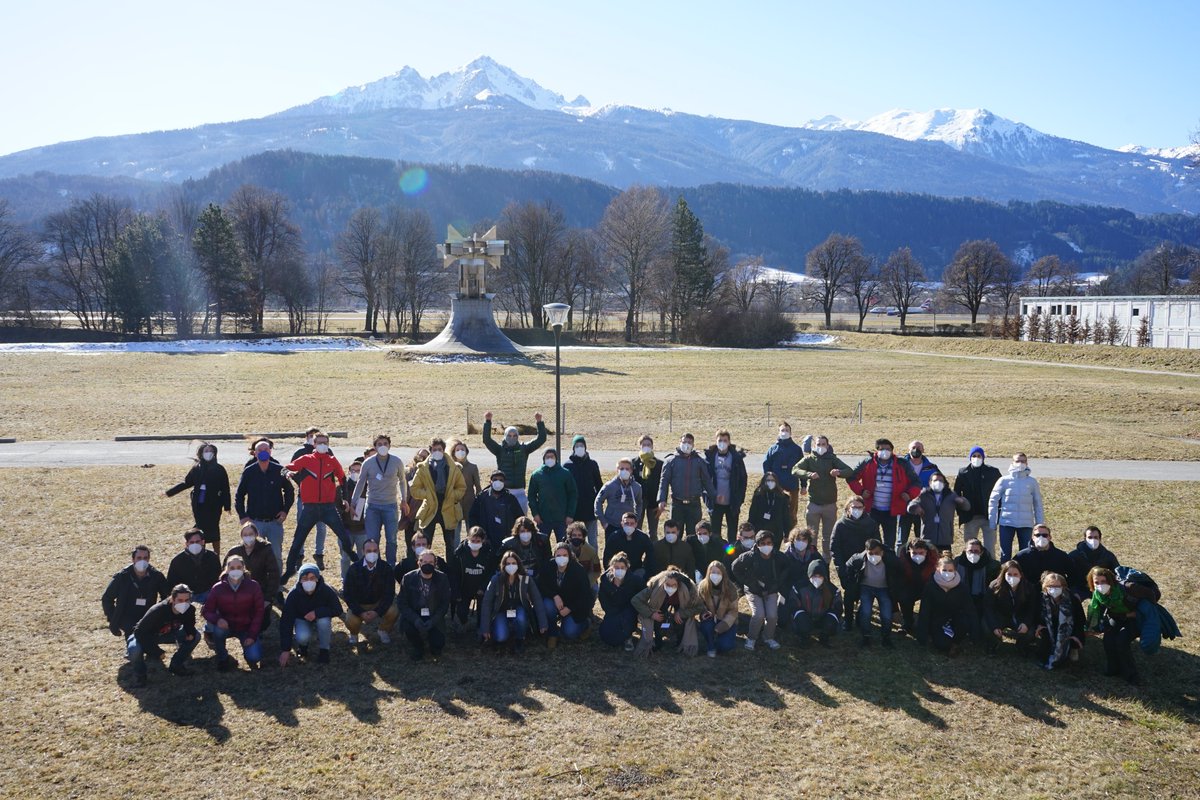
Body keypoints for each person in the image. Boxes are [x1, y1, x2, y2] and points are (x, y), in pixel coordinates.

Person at [282, 432, 355, 583]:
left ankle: (354, 558)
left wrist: (345, 499)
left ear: (328, 444)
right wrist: (289, 473)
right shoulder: (306, 459)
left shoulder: (332, 461)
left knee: (343, 536)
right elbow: (285, 468)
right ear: (314, 444)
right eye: (319, 442)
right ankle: (289, 569)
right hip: (309, 508)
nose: (323, 445)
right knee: (298, 540)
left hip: (328, 507)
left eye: (325, 443)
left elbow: (342, 479)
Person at [846, 439, 919, 553]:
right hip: (872, 510)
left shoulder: (902, 464)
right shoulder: (867, 462)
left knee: (889, 544)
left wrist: (909, 494)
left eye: (888, 449)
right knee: (870, 542)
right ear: (877, 451)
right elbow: (851, 478)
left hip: (891, 511)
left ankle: (888, 567)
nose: (885, 451)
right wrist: (861, 491)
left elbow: (916, 482)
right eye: (882, 449)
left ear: (892, 451)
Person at [235, 437, 295, 569]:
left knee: (276, 555)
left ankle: (277, 585)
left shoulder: (279, 470)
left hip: (275, 522)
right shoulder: (249, 471)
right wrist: (243, 516)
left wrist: (285, 511)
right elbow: (239, 495)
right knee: (253, 554)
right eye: (260, 450)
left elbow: (290, 491)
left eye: (266, 449)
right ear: (254, 453)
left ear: (270, 452)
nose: (263, 452)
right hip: (255, 522)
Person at [162, 442, 231, 551]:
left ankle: (216, 554)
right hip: (199, 504)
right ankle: (200, 550)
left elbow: (225, 488)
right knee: (200, 527)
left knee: (214, 528)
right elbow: (186, 483)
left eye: (211, 451)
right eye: (206, 451)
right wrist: (170, 492)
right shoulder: (196, 469)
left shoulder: (220, 469)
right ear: (201, 454)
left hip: (214, 505)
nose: (209, 453)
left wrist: (227, 506)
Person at [351, 434, 408, 567]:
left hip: (391, 506)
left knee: (392, 540)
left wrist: (404, 500)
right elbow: (360, 483)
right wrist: (353, 503)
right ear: (375, 447)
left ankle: (390, 566)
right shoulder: (368, 463)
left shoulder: (396, 461)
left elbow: (402, 481)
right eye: (379, 444)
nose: (383, 446)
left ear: (389, 445)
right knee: (372, 540)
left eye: (385, 444)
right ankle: (373, 565)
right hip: (372, 507)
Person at [792, 435, 852, 559]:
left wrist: (838, 472)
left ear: (828, 446)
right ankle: (811, 559)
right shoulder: (809, 459)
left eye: (823, 444)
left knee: (828, 537)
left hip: (830, 505)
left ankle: (826, 562)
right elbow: (795, 470)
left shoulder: (832, 459)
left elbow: (849, 470)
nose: (821, 447)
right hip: (813, 504)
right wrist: (808, 474)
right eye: (818, 444)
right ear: (814, 446)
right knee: (811, 537)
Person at [202, 554, 265, 672]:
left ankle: (248, 648)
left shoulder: (253, 586)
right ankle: (223, 658)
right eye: (232, 568)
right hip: (226, 625)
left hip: (246, 627)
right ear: (227, 569)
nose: (235, 570)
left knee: (254, 657)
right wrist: (218, 619)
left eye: (239, 567)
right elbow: (207, 611)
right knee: (218, 631)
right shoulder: (217, 588)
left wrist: (252, 635)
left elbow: (259, 612)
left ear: (244, 569)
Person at [127, 584, 199, 687]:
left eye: (187, 600)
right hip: (146, 635)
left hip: (169, 634)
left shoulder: (190, 609)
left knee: (196, 636)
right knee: (134, 649)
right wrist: (156, 652)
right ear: (173, 599)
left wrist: (190, 633)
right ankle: (140, 675)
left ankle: (176, 665)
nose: (184, 603)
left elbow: (189, 623)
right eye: (180, 600)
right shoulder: (157, 610)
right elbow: (139, 632)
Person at [479, 550, 548, 653]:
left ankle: (519, 639)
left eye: (513, 563)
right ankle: (499, 633)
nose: (511, 566)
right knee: (501, 637)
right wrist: (485, 628)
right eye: (508, 563)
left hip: (519, 610)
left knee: (521, 618)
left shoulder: (526, 579)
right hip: (501, 611)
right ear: (503, 565)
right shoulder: (496, 580)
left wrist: (543, 624)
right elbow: (487, 603)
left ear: (518, 564)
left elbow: (537, 600)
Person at [410, 437, 467, 556]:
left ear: (444, 450)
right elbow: (414, 489)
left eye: (440, 449)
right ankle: (424, 565)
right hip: (430, 507)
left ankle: (451, 570)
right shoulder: (422, 468)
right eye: (434, 449)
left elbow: (461, 488)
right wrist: (427, 494)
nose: (437, 452)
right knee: (425, 541)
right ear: (430, 451)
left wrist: (452, 496)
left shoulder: (453, 467)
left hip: (448, 507)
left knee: (450, 544)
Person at [481, 411, 547, 513]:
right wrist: (488, 421)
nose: (512, 438)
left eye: (514, 435)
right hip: (504, 491)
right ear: (505, 436)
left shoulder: (524, 449)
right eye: (509, 435)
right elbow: (487, 440)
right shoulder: (499, 450)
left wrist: (539, 422)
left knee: (521, 520)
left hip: (520, 491)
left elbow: (541, 439)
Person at [278, 563, 343, 666]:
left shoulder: (326, 590)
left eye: (312, 578)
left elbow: (338, 609)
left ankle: (324, 650)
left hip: (320, 617)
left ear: (317, 579)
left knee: (324, 622)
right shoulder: (293, 594)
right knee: (303, 636)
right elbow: (286, 621)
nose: (308, 581)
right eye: (304, 578)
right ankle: (303, 647)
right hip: (301, 619)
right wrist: (286, 649)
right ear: (299, 580)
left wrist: (317, 613)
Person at [731, 531, 787, 650]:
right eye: (762, 543)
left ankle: (768, 637)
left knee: (772, 615)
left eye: (769, 543)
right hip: (753, 590)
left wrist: (777, 584)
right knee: (759, 615)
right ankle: (751, 638)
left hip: (771, 589)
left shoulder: (778, 556)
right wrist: (749, 582)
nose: (766, 546)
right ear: (757, 545)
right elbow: (735, 567)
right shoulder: (749, 556)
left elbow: (787, 568)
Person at [829, 496, 877, 629]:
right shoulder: (840, 525)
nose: (857, 510)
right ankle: (848, 620)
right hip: (847, 566)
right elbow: (835, 548)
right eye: (853, 507)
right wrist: (841, 569)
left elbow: (876, 544)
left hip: (865, 565)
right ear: (847, 508)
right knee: (849, 594)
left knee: (866, 592)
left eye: (859, 507)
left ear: (864, 508)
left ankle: (861, 615)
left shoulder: (871, 523)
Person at [988, 453, 1045, 561]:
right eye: (1017, 461)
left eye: (1023, 461)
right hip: (1006, 523)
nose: (1020, 464)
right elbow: (993, 501)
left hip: (1026, 524)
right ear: (1012, 463)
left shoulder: (1032, 482)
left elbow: (1038, 504)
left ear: (1027, 463)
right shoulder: (1003, 481)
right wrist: (992, 521)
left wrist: (1039, 523)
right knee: (1005, 555)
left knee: (1026, 554)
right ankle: (1004, 576)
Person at [844, 539, 902, 647]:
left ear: (882, 552)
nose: (873, 556)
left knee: (886, 615)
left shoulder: (891, 560)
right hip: (866, 587)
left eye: (876, 553)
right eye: (870, 553)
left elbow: (900, 572)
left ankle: (886, 637)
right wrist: (851, 582)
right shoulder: (859, 559)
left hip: (884, 589)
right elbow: (848, 565)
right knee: (865, 612)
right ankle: (866, 636)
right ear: (866, 551)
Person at [102, 545, 168, 639]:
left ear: (149, 559)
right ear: (133, 559)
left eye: (145, 558)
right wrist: (114, 619)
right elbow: (107, 598)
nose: (142, 561)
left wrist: (158, 613)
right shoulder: (122, 577)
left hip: (148, 615)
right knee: (135, 644)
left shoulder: (156, 576)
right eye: (139, 558)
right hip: (127, 617)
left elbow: (166, 597)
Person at [631, 568, 701, 656]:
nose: (670, 588)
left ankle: (681, 641)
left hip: (680, 608)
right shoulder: (656, 586)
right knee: (659, 617)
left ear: (678, 585)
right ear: (663, 583)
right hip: (661, 608)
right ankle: (657, 641)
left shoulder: (688, 589)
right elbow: (636, 600)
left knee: (682, 619)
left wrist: (682, 613)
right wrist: (651, 614)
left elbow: (700, 606)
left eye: (674, 585)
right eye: (667, 584)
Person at [343, 538, 398, 648]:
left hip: (378, 603)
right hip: (360, 604)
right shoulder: (353, 569)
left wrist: (377, 611)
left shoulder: (386, 568)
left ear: (378, 551)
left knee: (394, 611)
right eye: (369, 551)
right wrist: (360, 612)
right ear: (363, 551)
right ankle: (354, 634)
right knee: (350, 620)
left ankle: (383, 630)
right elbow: (348, 595)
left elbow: (389, 594)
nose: (372, 553)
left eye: (375, 550)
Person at [396, 550, 451, 661]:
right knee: (409, 629)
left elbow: (444, 604)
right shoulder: (408, 578)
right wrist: (415, 619)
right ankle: (417, 646)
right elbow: (402, 602)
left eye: (431, 562)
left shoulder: (442, 578)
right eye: (424, 561)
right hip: (414, 615)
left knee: (437, 647)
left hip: (433, 615)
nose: (427, 564)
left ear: (435, 564)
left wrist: (433, 621)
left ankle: (431, 639)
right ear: (419, 563)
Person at [656, 433, 714, 538]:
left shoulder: (699, 461)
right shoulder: (670, 461)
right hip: (677, 504)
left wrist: (714, 497)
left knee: (693, 536)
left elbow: (707, 481)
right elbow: (664, 482)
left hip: (694, 504)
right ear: (680, 443)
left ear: (693, 444)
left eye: (689, 442)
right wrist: (662, 499)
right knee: (675, 535)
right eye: (684, 442)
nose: (686, 444)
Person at [537, 542, 595, 646]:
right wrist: (554, 596)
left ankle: (586, 624)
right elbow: (541, 585)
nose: (561, 558)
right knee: (547, 605)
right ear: (554, 556)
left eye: (565, 555)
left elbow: (585, 595)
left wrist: (570, 608)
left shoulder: (578, 570)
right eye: (558, 555)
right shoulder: (548, 566)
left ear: (570, 556)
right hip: (555, 601)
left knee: (569, 633)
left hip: (573, 607)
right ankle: (552, 633)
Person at [916, 556, 974, 656]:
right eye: (944, 570)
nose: (947, 573)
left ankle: (955, 643)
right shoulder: (930, 586)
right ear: (938, 570)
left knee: (964, 623)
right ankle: (947, 643)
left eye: (950, 570)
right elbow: (924, 611)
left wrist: (975, 634)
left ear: (955, 570)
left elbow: (970, 608)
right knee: (942, 645)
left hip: (955, 618)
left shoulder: (962, 587)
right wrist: (922, 636)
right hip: (937, 621)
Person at [291, 428, 330, 569]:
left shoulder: (328, 452)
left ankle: (319, 554)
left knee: (321, 527)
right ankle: (299, 555)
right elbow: (292, 471)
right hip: (305, 498)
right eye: (311, 436)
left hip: (323, 500)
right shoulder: (300, 453)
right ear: (307, 437)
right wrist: (303, 484)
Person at [984, 560, 1039, 655]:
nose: (1012, 577)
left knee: (1030, 632)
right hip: (1001, 615)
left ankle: (1021, 646)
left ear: (1020, 575)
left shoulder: (1029, 587)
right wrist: (994, 626)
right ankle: (994, 644)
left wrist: (1026, 623)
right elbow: (989, 608)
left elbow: (1032, 608)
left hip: (1019, 616)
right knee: (987, 627)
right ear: (1003, 574)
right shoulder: (994, 586)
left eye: (1015, 574)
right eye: (1009, 574)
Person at [953, 446, 1002, 555]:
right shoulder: (963, 473)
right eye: (974, 456)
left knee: (990, 548)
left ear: (983, 457)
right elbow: (956, 494)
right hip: (970, 517)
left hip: (988, 516)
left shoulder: (993, 472)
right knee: (970, 547)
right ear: (970, 458)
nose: (976, 458)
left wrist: (997, 511)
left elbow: (1001, 492)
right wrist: (961, 512)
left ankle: (991, 569)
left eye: (979, 456)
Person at [906, 471, 970, 553]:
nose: (938, 483)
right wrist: (915, 507)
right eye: (935, 480)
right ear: (930, 482)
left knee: (945, 562)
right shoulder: (924, 494)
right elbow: (910, 506)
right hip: (928, 537)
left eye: (940, 481)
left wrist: (962, 501)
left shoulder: (950, 495)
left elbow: (967, 507)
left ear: (944, 483)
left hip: (945, 537)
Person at [704, 429, 748, 544]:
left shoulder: (736, 459)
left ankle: (730, 555)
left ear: (729, 442)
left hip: (732, 504)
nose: (722, 443)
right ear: (716, 441)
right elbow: (704, 480)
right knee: (715, 535)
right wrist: (709, 498)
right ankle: (717, 556)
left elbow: (743, 480)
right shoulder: (709, 458)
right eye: (720, 440)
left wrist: (739, 500)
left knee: (732, 535)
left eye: (725, 440)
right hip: (715, 503)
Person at [225, 521, 281, 611]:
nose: (248, 537)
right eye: (245, 534)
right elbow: (224, 574)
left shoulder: (265, 549)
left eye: (251, 534)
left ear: (256, 534)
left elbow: (274, 574)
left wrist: (268, 598)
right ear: (241, 536)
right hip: (238, 591)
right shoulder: (235, 551)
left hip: (260, 590)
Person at [1034, 571, 1085, 670]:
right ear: (1045, 587)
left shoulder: (1072, 600)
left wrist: (1076, 635)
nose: (1054, 589)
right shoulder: (1040, 599)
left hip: (1068, 628)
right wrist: (1039, 625)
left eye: (1058, 586)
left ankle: (1072, 649)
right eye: (1051, 586)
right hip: (1049, 627)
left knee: (1071, 642)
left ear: (1063, 586)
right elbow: (1035, 615)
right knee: (1045, 643)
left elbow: (1080, 619)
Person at [450, 526, 496, 630]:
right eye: (472, 540)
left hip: (482, 590)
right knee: (461, 613)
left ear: (483, 540)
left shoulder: (488, 554)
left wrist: (483, 588)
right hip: (464, 589)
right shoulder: (460, 554)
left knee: (483, 615)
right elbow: (454, 575)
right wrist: (457, 592)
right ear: (467, 538)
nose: (475, 543)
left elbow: (491, 573)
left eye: (478, 541)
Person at [527, 447, 578, 543]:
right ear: (543, 459)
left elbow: (573, 494)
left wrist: (570, 514)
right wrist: (535, 514)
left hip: (562, 519)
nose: (550, 459)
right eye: (547, 457)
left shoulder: (565, 473)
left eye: (552, 456)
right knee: (542, 545)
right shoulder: (537, 475)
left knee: (564, 544)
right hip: (543, 518)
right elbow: (531, 496)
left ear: (556, 458)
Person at [954, 537, 1000, 642]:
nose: (973, 554)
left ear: (982, 552)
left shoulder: (992, 565)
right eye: (970, 551)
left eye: (976, 551)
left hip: (982, 600)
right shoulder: (958, 562)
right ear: (965, 551)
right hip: (962, 599)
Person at [598, 553, 647, 650]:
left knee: (625, 627)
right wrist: (611, 611)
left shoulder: (635, 580)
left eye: (622, 567)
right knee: (605, 635)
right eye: (616, 567)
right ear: (612, 568)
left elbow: (644, 595)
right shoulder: (606, 581)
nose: (619, 570)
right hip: (612, 611)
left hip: (629, 611)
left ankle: (628, 637)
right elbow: (603, 599)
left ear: (627, 568)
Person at [468, 470, 524, 551]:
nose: (498, 482)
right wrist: (477, 535)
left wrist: (514, 536)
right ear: (490, 481)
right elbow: (473, 516)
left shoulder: (510, 499)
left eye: (501, 480)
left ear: (504, 482)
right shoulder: (481, 498)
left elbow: (519, 518)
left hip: (506, 540)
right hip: (486, 541)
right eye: (495, 479)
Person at [564, 435, 604, 549]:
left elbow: (599, 485)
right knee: (572, 540)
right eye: (577, 446)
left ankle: (593, 564)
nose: (579, 448)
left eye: (581, 445)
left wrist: (598, 504)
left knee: (593, 541)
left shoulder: (592, 464)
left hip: (589, 508)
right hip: (573, 509)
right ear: (573, 448)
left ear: (585, 447)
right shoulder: (567, 466)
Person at [790, 561, 842, 648]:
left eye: (820, 576)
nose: (817, 579)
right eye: (814, 576)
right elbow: (794, 605)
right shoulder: (799, 587)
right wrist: (801, 615)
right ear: (809, 575)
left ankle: (824, 637)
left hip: (823, 618)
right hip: (806, 616)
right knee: (801, 620)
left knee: (831, 621)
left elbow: (837, 608)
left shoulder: (832, 590)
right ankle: (804, 637)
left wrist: (830, 618)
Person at [898, 441, 939, 548]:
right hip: (903, 507)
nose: (916, 450)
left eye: (919, 447)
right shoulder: (900, 465)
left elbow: (939, 487)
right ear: (908, 450)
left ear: (923, 450)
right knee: (901, 541)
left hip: (923, 509)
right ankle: (899, 562)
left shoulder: (931, 468)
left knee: (923, 541)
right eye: (914, 447)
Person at [762, 421, 805, 523]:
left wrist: (804, 485)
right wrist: (767, 483)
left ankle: (789, 535)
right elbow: (766, 467)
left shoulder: (797, 449)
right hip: (776, 487)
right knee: (776, 511)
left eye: (786, 430)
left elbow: (802, 468)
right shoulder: (772, 449)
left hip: (792, 486)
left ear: (790, 433)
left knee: (791, 513)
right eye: (782, 430)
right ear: (778, 432)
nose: (784, 432)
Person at [594, 458, 644, 544]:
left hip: (628, 526)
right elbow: (598, 501)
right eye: (621, 469)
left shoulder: (637, 487)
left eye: (627, 469)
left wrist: (636, 518)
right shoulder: (609, 486)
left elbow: (639, 503)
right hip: (612, 525)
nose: (624, 471)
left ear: (631, 470)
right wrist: (604, 522)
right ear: (617, 470)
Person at [166, 528, 222, 604]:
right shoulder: (177, 561)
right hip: (185, 595)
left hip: (207, 592)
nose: (194, 544)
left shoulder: (212, 557)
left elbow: (218, 578)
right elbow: (171, 582)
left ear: (203, 542)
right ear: (186, 544)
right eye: (191, 542)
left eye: (197, 541)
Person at [696, 561, 740, 656]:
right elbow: (700, 605)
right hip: (710, 618)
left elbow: (734, 611)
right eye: (712, 572)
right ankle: (710, 646)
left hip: (726, 620)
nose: (715, 575)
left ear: (723, 574)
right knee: (706, 627)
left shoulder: (731, 588)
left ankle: (720, 639)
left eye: (718, 573)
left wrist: (723, 625)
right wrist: (703, 613)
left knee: (725, 646)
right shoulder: (703, 586)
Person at [896, 539, 939, 636]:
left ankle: (925, 625)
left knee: (928, 603)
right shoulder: (902, 560)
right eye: (914, 553)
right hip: (910, 584)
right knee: (904, 598)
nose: (917, 556)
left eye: (921, 553)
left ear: (926, 552)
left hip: (928, 585)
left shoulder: (934, 559)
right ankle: (908, 623)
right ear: (909, 551)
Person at [1014, 524, 1073, 589]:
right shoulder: (1021, 556)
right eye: (1037, 535)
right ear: (1033, 538)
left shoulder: (1061, 556)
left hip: (1054, 595)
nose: (1041, 538)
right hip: (1029, 594)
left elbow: (1073, 574)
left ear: (1050, 537)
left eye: (1045, 535)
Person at [1068, 526, 1120, 599]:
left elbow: (1117, 572)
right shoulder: (1074, 555)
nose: (1093, 540)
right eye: (1090, 537)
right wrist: (1073, 591)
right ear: (1085, 539)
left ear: (1100, 539)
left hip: (1101, 587)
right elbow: (1068, 575)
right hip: (1080, 588)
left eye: (1096, 537)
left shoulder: (1108, 555)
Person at [602, 511, 655, 577]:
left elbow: (651, 555)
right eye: (626, 523)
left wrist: (647, 572)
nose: (629, 526)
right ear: (622, 524)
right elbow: (607, 558)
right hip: (618, 570)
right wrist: (612, 572)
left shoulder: (643, 538)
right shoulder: (614, 537)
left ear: (636, 524)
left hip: (636, 570)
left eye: (632, 523)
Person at [450, 438, 482, 548]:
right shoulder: (451, 467)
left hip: (470, 502)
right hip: (455, 503)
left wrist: (479, 503)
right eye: (457, 450)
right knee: (455, 532)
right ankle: (456, 553)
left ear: (466, 451)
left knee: (471, 529)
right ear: (453, 453)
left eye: (462, 449)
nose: (460, 452)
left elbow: (478, 486)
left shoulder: (473, 467)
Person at [747, 473, 795, 544]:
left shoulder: (782, 497)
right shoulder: (758, 495)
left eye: (772, 480)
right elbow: (752, 513)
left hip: (776, 531)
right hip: (760, 529)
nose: (770, 482)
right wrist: (749, 529)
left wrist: (787, 533)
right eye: (768, 480)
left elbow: (786, 516)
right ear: (764, 481)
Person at [632, 434, 664, 539]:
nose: (646, 446)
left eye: (648, 444)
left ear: (652, 446)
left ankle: (652, 554)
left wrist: (661, 501)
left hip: (653, 502)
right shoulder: (633, 463)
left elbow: (662, 483)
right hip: (638, 501)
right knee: (637, 530)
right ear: (639, 446)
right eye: (644, 444)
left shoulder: (659, 464)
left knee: (653, 532)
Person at [564, 521, 601, 590]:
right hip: (567, 580)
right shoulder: (563, 550)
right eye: (574, 535)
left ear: (583, 537)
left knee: (595, 589)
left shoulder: (591, 551)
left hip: (585, 579)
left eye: (579, 535)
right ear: (570, 536)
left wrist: (586, 583)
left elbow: (596, 571)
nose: (577, 537)